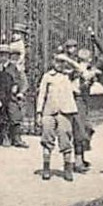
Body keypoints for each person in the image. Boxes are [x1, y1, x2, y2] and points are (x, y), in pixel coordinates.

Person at [34, 53, 79, 181]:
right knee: (47, 140)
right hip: (49, 112)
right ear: (53, 62)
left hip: (65, 112)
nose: (59, 64)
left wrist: (68, 59)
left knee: (65, 140)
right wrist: (39, 113)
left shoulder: (69, 75)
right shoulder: (47, 76)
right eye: (57, 61)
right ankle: (46, 168)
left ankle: (68, 169)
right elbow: (41, 95)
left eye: (62, 62)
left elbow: (80, 70)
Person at [0, 44, 27, 148]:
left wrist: (17, 88)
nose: (2, 57)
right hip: (0, 95)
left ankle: (17, 138)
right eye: (0, 55)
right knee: (2, 116)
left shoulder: (13, 67)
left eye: (4, 55)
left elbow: (18, 79)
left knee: (14, 115)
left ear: (8, 56)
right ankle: (5, 137)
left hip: (11, 95)